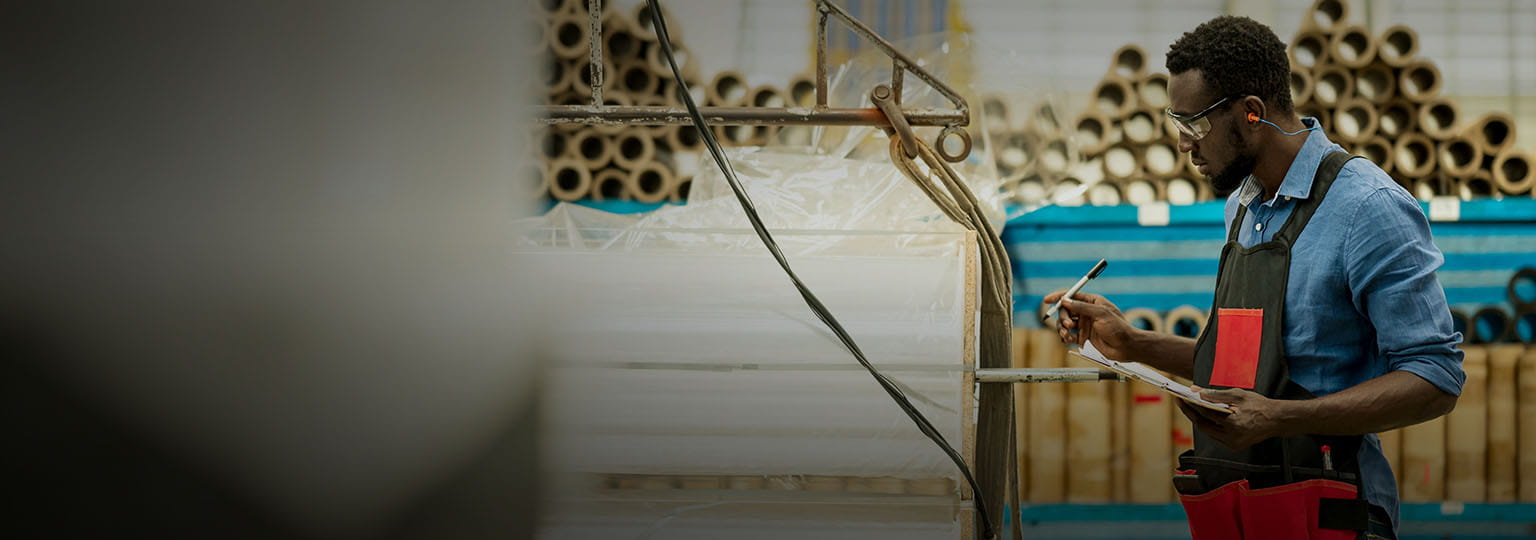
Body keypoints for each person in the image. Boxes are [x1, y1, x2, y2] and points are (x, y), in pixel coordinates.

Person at [1041, 16, 1464, 540]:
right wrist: (1130, 343)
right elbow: (1249, 366)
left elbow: (1436, 379)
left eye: (1194, 124)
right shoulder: (1243, 207)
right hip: (1240, 502)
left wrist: (1280, 417)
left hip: (1329, 506)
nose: (1182, 143)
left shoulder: (1367, 207)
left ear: (1251, 113)